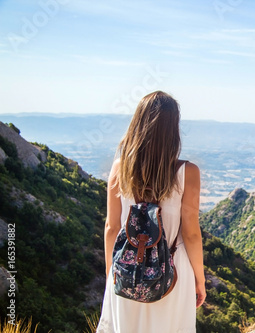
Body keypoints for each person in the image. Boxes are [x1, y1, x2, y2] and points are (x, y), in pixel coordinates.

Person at [96, 91, 206, 332]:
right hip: (172, 271)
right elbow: (191, 234)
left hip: (126, 270)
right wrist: (200, 279)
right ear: (173, 130)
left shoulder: (119, 168)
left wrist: (111, 273)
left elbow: (111, 227)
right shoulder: (188, 172)